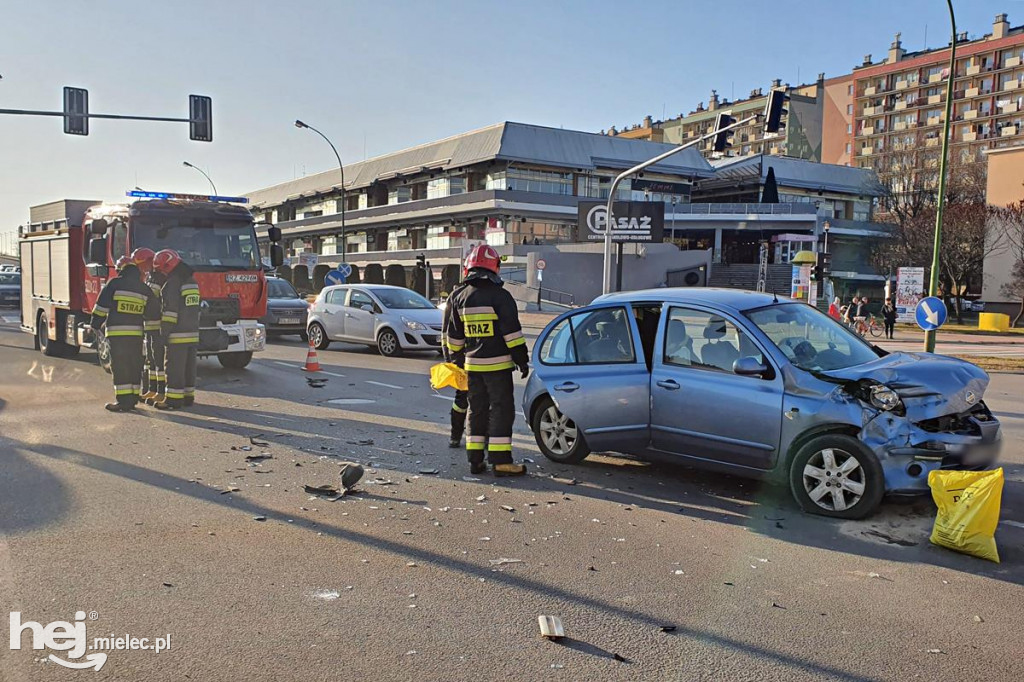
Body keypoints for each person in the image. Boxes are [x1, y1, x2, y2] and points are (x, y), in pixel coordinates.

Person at [444, 244, 529, 476]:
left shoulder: (459, 297)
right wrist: (522, 360)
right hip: (498, 367)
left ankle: (475, 461)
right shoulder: (501, 296)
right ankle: (501, 461)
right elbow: (512, 334)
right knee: (501, 410)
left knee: (476, 411)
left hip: (472, 368)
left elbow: (454, 338)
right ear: (495, 268)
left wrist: (456, 362)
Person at [90, 253, 160, 412]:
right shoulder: (144, 288)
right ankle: (134, 398)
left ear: (121, 269)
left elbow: (101, 307)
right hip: (136, 335)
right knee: (135, 365)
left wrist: (95, 324)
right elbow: (154, 313)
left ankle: (123, 401)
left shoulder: (114, 284)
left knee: (120, 367)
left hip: (117, 334)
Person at [153, 249, 201, 410]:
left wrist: (164, 333)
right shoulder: (191, 281)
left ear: (166, 267)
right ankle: (188, 397)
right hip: (192, 333)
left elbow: (170, 312)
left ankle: (172, 400)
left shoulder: (172, 283)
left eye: (160, 269)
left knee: (174, 368)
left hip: (177, 334)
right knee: (189, 368)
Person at [132, 248, 165, 404]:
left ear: (149, 261)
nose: (141, 268)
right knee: (151, 359)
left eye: (142, 264)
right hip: (149, 326)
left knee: (159, 359)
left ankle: (161, 391)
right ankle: (152, 389)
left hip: (158, 325)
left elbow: (155, 301)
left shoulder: (159, 278)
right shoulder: (149, 277)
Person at [442, 277, 470, 449]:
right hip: (467, 358)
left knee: (462, 399)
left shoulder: (455, 296)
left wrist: (449, 358)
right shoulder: (457, 296)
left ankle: (456, 436)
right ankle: (456, 435)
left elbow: (445, 333)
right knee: (463, 399)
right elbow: (447, 332)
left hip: (462, 358)